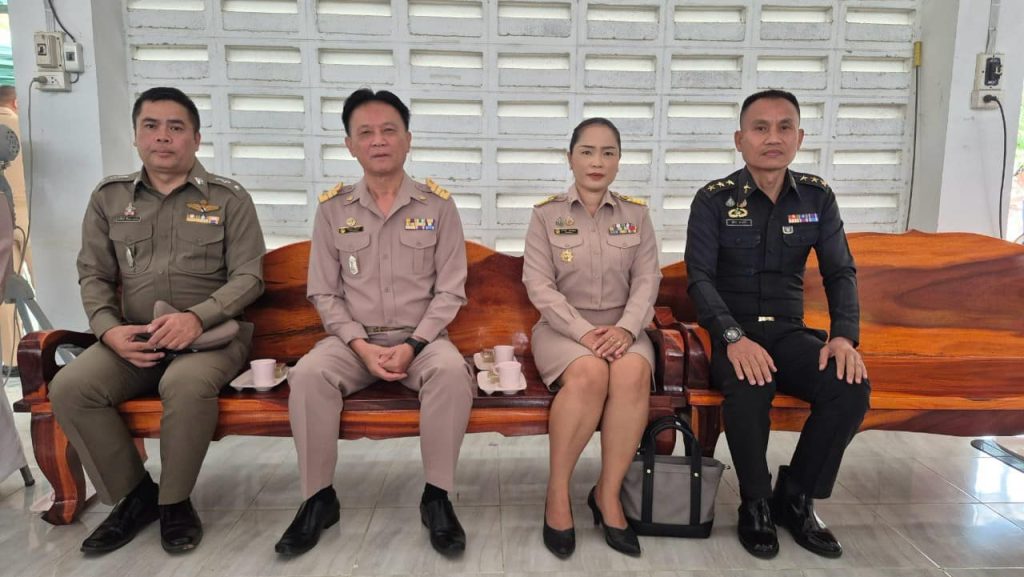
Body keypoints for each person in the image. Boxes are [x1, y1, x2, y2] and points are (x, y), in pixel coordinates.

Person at [48, 87, 266, 554]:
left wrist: (197, 318)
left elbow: (250, 277)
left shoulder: (228, 199)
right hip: (136, 339)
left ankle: (175, 502)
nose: (162, 136)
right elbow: (94, 274)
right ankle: (135, 496)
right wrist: (108, 330)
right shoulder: (109, 198)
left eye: (175, 127)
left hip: (212, 338)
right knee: (71, 387)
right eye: (151, 126)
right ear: (135, 136)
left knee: (184, 385)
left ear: (196, 138)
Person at [274, 88, 474, 558]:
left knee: (451, 373)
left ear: (408, 139)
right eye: (366, 133)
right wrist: (361, 346)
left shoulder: (438, 206)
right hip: (354, 343)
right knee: (308, 375)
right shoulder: (333, 210)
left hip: (422, 341)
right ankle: (317, 499)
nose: (378, 140)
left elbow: (450, 290)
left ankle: (437, 496)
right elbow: (324, 292)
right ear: (350, 145)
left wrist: (414, 344)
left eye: (389, 130)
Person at [685, 89, 870, 559]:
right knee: (750, 386)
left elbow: (840, 272)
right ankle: (755, 503)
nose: (773, 138)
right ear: (740, 140)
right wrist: (732, 337)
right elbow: (699, 278)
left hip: (789, 331)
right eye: (760, 128)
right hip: (734, 331)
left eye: (784, 127)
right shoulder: (714, 200)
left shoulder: (816, 197)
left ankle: (797, 496)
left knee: (848, 386)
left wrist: (844, 337)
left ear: (799, 137)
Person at [522, 118, 661, 558]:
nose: (597, 161)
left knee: (632, 374)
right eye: (587, 151)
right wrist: (585, 333)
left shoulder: (637, 215)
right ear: (570, 159)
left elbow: (647, 281)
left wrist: (626, 328)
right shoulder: (546, 215)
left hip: (624, 328)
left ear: (618, 161)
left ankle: (607, 494)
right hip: (563, 330)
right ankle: (557, 494)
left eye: (607, 152)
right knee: (589, 375)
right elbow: (539, 286)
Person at [0, 85, 31, 372]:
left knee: (5, 286)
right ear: (16, 102)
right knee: (39, 282)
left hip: (4, 214)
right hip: (30, 212)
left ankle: (12, 359)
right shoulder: (25, 126)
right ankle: (47, 349)